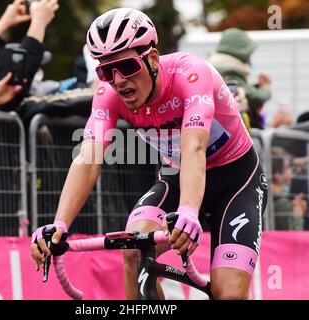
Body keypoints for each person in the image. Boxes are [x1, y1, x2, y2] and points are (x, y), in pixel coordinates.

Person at [30, 8, 268, 300]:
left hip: (237, 182)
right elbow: (88, 158)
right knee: (133, 248)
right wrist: (60, 224)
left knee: (228, 294)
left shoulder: (191, 74)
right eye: (106, 70)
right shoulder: (108, 94)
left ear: (153, 59)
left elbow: (194, 147)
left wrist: (189, 211)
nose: (117, 80)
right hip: (177, 175)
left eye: (127, 66)